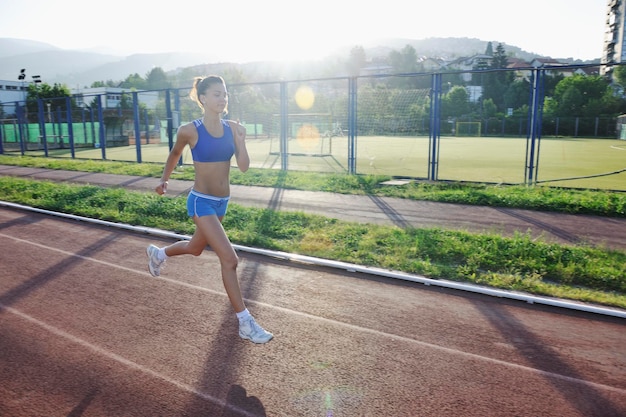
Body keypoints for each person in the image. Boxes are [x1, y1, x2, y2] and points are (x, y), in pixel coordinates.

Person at [146, 75, 273, 344]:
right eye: (216, 94)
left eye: (225, 94)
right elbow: (174, 154)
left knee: (194, 248)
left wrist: (241, 140)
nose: (222, 98)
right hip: (200, 201)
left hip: (221, 203)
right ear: (203, 98)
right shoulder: (189, 130)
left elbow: (244, 166)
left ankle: (159, 253)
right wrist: (164, 179)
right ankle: (244, 322)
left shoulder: (233, 128)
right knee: (230, 259)